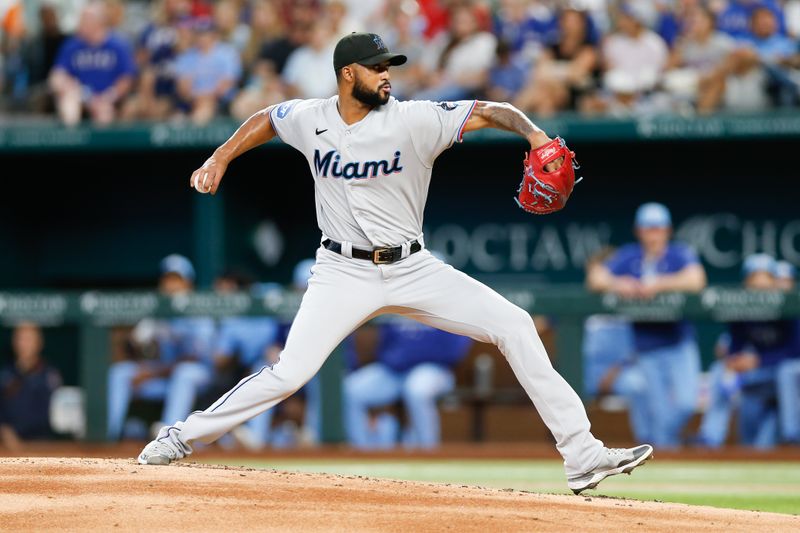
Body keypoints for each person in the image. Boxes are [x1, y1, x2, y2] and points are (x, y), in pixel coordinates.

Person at [137, 31, 653, 495]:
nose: (387, 75)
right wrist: (220, 157)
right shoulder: (312, 118)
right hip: (342, 271)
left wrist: (535, 136)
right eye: (377, 67)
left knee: (515, 325)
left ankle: (581, 455)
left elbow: (494, 110)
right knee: (290, 372)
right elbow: (266, 119)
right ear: (347, 74)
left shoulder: (415, 119)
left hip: (413, 268)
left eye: (390, 67)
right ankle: (181, 436)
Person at [587, 202, 707, 448]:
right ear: (639, 231)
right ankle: (664, 455)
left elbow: (697, 280)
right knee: (659, 410)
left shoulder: (678, 254)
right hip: (646, 347)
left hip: (678, 343)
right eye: (648, 228)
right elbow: (595, 278)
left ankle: (662, 444)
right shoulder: (631, 256)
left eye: (658, 228)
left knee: (686, 403)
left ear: (667, 230)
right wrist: (620, 284)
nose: (653, 234)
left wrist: (659, 284)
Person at [107, 254, 216, 441]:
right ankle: (107, 436)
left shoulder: (199, 312)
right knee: (121, 372)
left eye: (177, 280)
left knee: (185, 373)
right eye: (167, 279)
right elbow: (135, 344)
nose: (171, 285)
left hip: (200, 376)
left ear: (188, 284)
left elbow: (194, 358)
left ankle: (167, 438)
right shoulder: (157, 311)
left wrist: (152, 373)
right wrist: (140, 362)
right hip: (164, 376)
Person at [697, 254, 800, 448]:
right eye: (754, 280)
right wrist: (734, 361)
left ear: (774, 282)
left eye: (765, 280)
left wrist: (758, 360)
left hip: (788, 377)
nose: (760, 286)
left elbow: (795, 351)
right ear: (746, 283)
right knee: (721, 370)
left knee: (788, 371)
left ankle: (792, 436)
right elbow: (736, 344)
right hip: (761, 376)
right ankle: (710, 437)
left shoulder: (790, 304)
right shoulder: (741, 307)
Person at [344, 317, 472, 450]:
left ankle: (428, 452)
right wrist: (396, 358)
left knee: (416, 390)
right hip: (395, 370)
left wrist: (411, 355)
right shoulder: (403, 302)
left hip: (434, 368)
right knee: (350, 390)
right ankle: (362, 451)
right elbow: (385, 345)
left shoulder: (443, 304)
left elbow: (453, 351)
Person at [582, 248, 650, 444]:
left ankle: (646, 441)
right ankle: (559, 445)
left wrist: (614, 372)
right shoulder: (585, 301)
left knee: (639, 385)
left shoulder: (630, 300)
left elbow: (637, 347)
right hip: (586, 372)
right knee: (560, 389)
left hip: (621, 371)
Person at [48, 1, 136, 126]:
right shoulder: (72, 45)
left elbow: (127, 78)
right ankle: (71, 142)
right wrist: (73, 88)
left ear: (98, 22)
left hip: (108, 99)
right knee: (69, 103)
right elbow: (57, 75)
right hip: (81, 96)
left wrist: (107, 98)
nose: (81, 23)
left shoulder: (118, 45)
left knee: (104, 114)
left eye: (85, 19)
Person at [0, 322, 63, 451]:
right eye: (21, 338)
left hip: (42, 445)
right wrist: (5, 432)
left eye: (29, 339)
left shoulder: (49, 375)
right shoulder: (5, 374)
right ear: (14, 342)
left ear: (39, 343)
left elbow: (53, 415)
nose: (24, 344)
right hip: (7, 446)